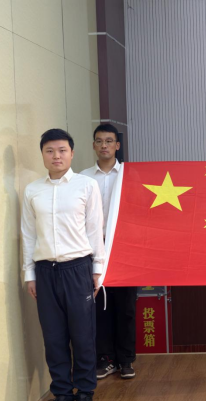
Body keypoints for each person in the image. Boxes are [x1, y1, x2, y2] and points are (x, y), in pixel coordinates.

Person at [22, 129, 104, 401]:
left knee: (82, 336)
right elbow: (28, 235)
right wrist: (30, 274)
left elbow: (95, 230)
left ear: (71, 153)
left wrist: (97, 270)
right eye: (50, 151)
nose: (56, 156)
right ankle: (63, 396)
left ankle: (85, 394)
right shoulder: (33, 190)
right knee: (54, 337)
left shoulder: (86, 186)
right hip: (45, 271)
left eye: (62, 150)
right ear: (42, 154)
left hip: (78, 269)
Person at [80, 123, 137, 380]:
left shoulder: (130, 175)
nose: (104, 145)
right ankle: (104, 358)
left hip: (125, 248)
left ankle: (125, 359)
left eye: (109, 141)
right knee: (99, 305)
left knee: (125, 306)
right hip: (93, 248)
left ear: (117, 145)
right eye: (99, 141)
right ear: (94, 145)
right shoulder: (82, 178)